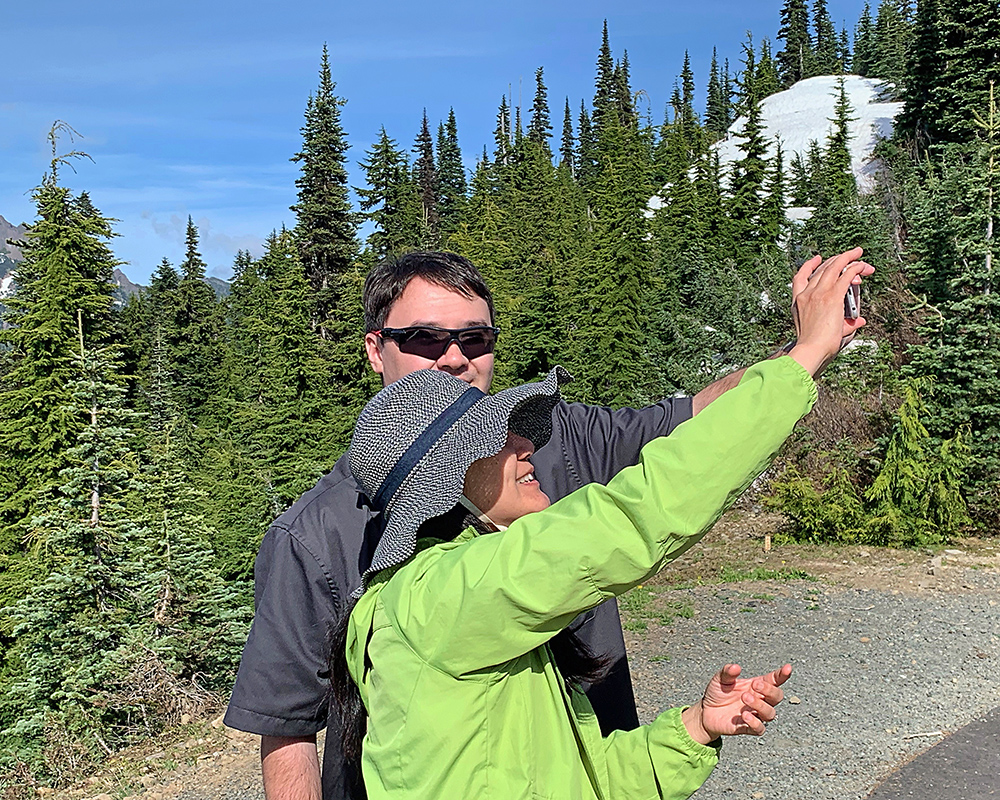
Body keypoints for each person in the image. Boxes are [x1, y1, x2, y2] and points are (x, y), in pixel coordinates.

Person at [224, 248, 872, 799]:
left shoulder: (467, 572)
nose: (529, 447)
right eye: (426, 337)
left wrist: (696, 728)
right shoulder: (441, 594)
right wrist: (803, 358)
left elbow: (577, 772)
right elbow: (644, 510)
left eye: (475, 338)